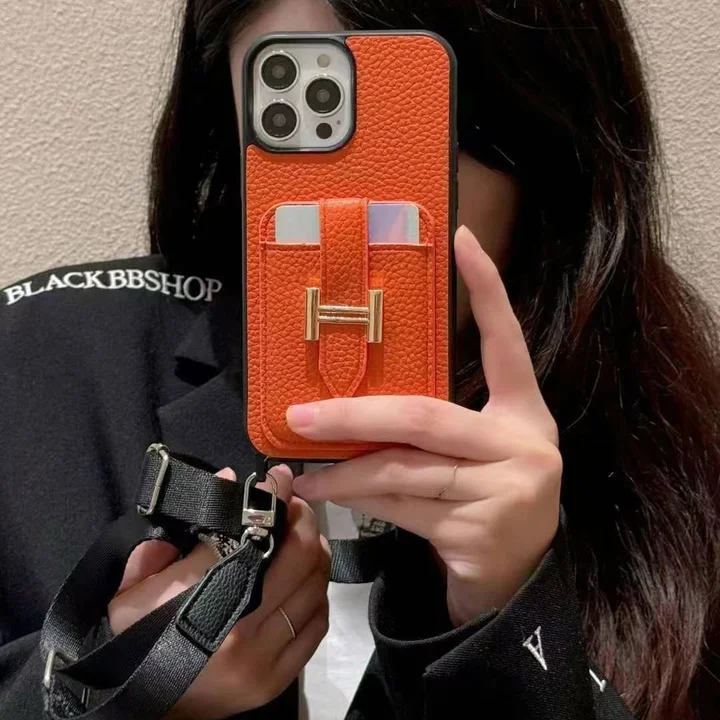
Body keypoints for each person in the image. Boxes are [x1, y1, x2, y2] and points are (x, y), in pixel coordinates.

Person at [0, 0, 718, 718]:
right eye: (299, 118)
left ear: (540, 125)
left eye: (407, 118)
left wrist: (511, 620)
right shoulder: (45, 365)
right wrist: (115, 678)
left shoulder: (677, 473)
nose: (357, 199)